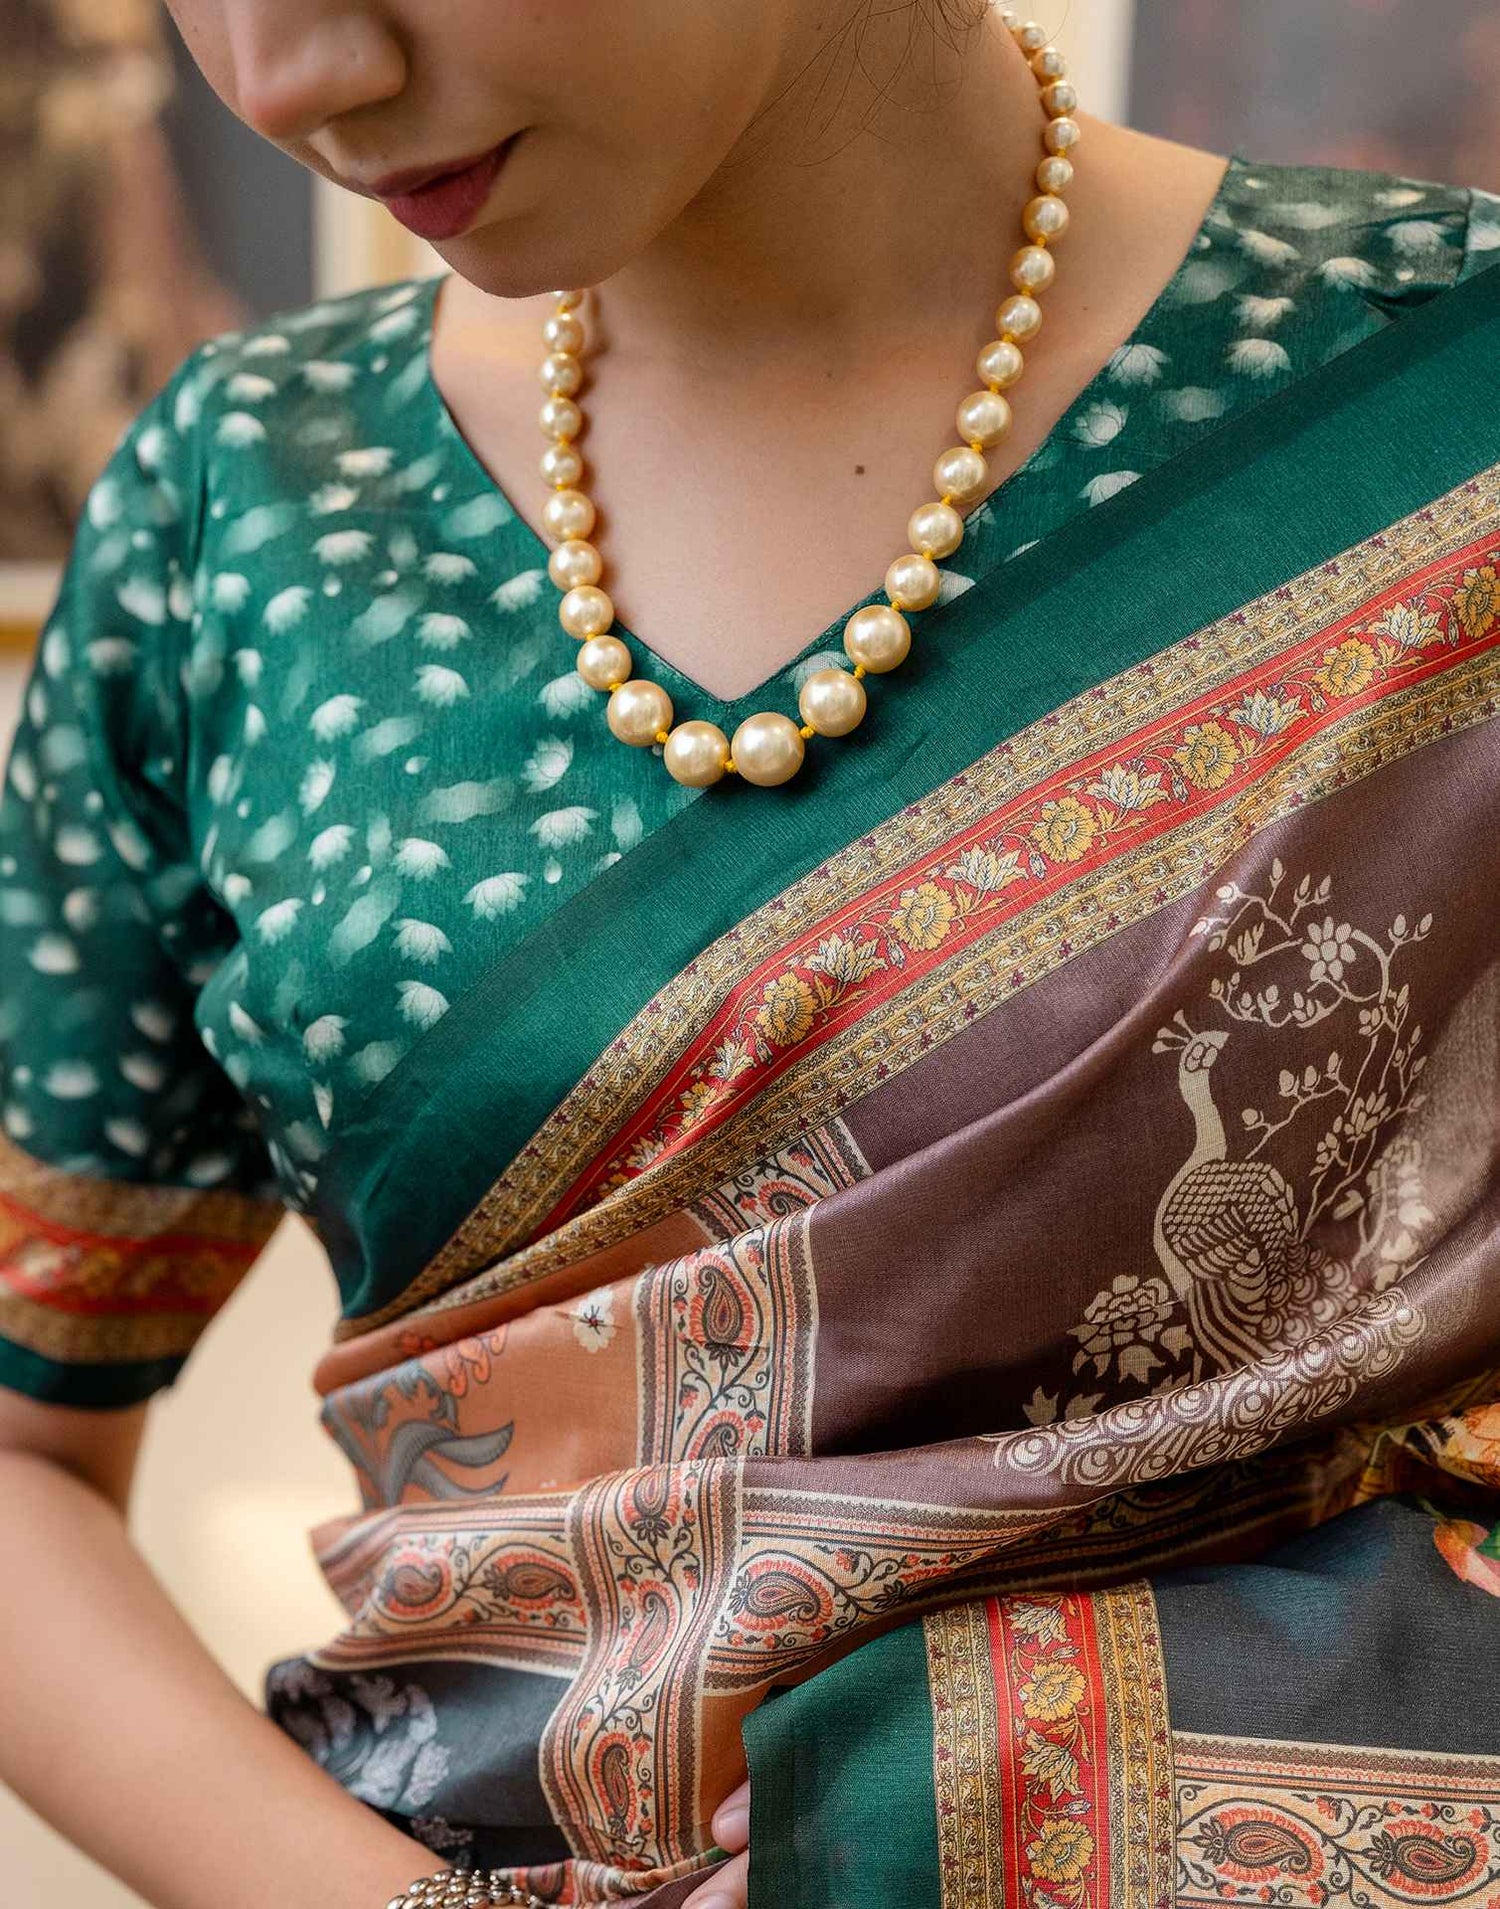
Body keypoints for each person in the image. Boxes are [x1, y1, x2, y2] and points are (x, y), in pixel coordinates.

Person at [1, 4, 1497, 1907]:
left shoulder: (1446, 420)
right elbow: (21, 1454)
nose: (290, 75)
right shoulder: (245, 516)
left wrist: (1053, 1776)